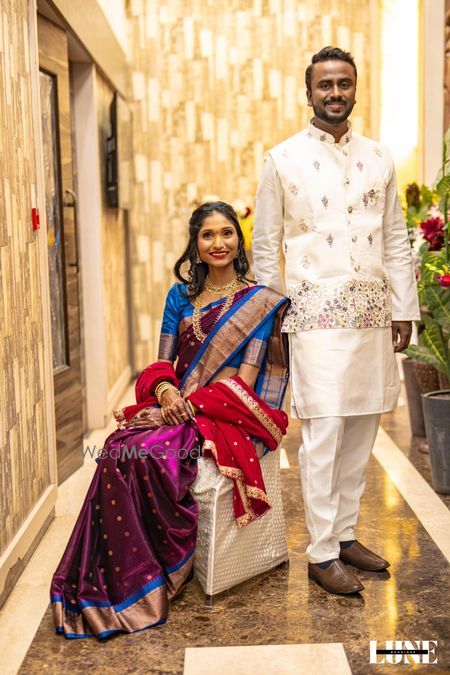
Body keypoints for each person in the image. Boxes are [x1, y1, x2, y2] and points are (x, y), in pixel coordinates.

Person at [51, 201, 289, 638]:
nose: (218, 243)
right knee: (117, 448)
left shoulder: (257, 302)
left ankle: (157, 569)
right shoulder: (179, 296)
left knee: (148, 453)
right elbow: (162, 364)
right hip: (175, 402)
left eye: (226, 233)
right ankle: (123, 573)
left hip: (221, 410)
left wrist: (188, 405)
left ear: (239, 242)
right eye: (207, 235)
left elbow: (245, 379)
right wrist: (165, 392)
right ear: (195, 245)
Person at [252, 46, 420, 595]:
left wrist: (404, 308)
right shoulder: (282, 160)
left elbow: (395, 238)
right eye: (324, 85)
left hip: (372, 316)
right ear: (309, 93)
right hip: (313, 318)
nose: (335, 93)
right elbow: (265, 246)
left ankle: (345, 535)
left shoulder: (380, 157)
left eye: (343, 83)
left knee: (362, 428)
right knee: (323, 433)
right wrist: (271, 320)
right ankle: (321, 551)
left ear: (354, 89)